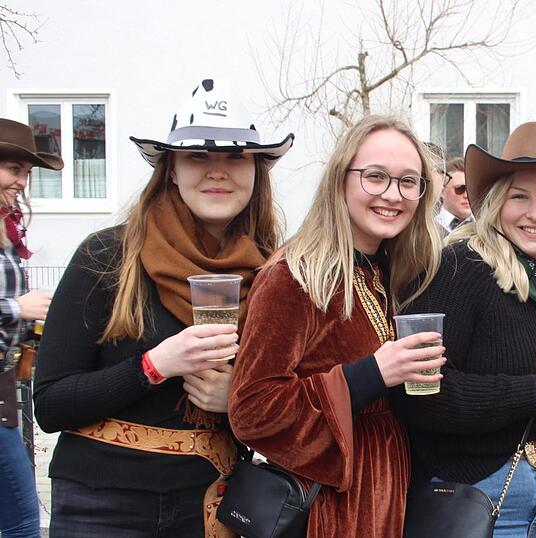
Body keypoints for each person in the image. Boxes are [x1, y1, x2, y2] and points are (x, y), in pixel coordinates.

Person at [33, 78, 291, 536]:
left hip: (212, 506)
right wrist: (154, 365)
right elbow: (51, 405)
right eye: (198, 156)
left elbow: (293, 400)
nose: (218, 171)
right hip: (103, 507)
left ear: (256, 171)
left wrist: (239, 401)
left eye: (235, 157)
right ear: (170, 169)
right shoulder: (106, 257)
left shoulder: (273, 272)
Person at [228, 115, 445, 538]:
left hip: (391, 491)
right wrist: (372, 374)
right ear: (340, 180)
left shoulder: (393, 270)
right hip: (331, 504)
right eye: (375, 177)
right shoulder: (295, 277)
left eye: (408, 182)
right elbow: (252, 410)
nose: (392, 195)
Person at [390, 121, 536, 537]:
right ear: (495, 202)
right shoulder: (460, 267)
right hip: (479, 494)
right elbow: (418, 397)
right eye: (519, 196)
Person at [0, 118, 58, 538]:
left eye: (25, 173)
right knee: (21, 522)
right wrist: (16, 308)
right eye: (12, 170)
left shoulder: (7, 231)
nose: (21, 182)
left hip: (6, 390)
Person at [436, 156, 472, 234]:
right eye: (460, 188)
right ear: (442, 191)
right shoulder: (426, 230)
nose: (467, 195)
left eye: (471, 189)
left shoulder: (486, 229)